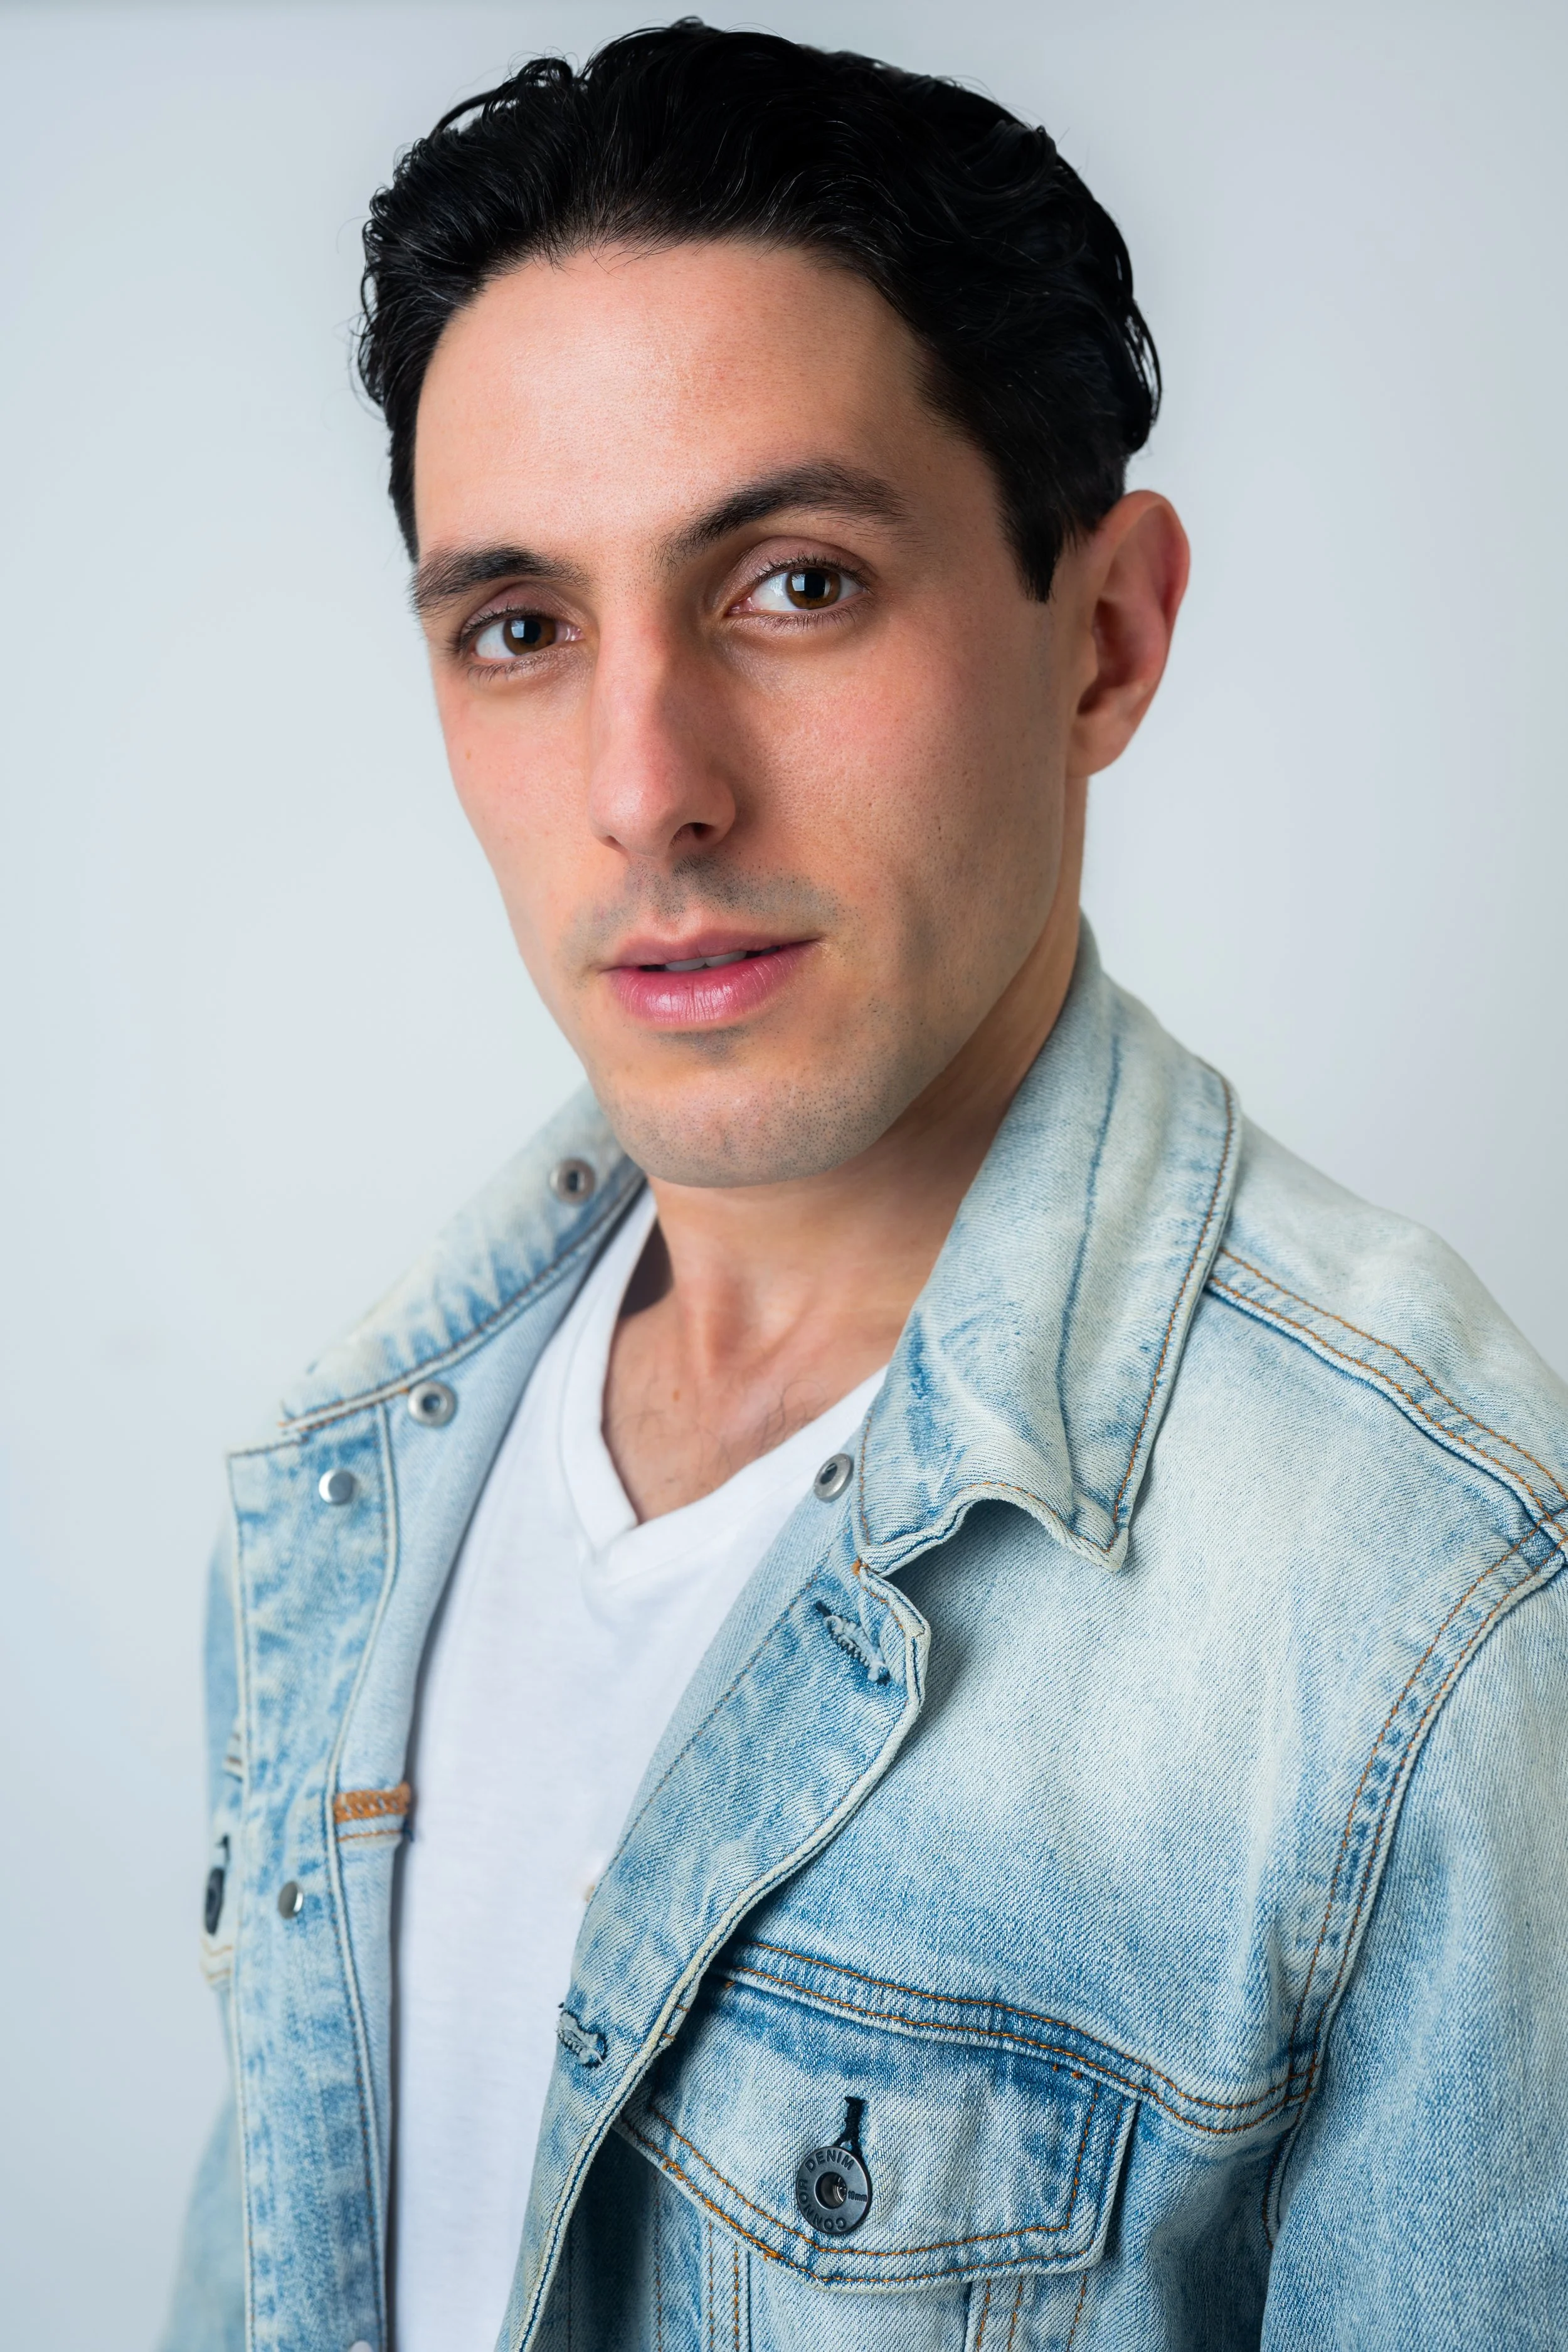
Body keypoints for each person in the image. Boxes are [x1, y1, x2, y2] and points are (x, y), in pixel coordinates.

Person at [162, 22, 1568, 2351]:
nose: (646, 789)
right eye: (519, 628)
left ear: (1101, 633)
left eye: (792, 584)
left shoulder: (1419, 1610)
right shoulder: (357, 1469)